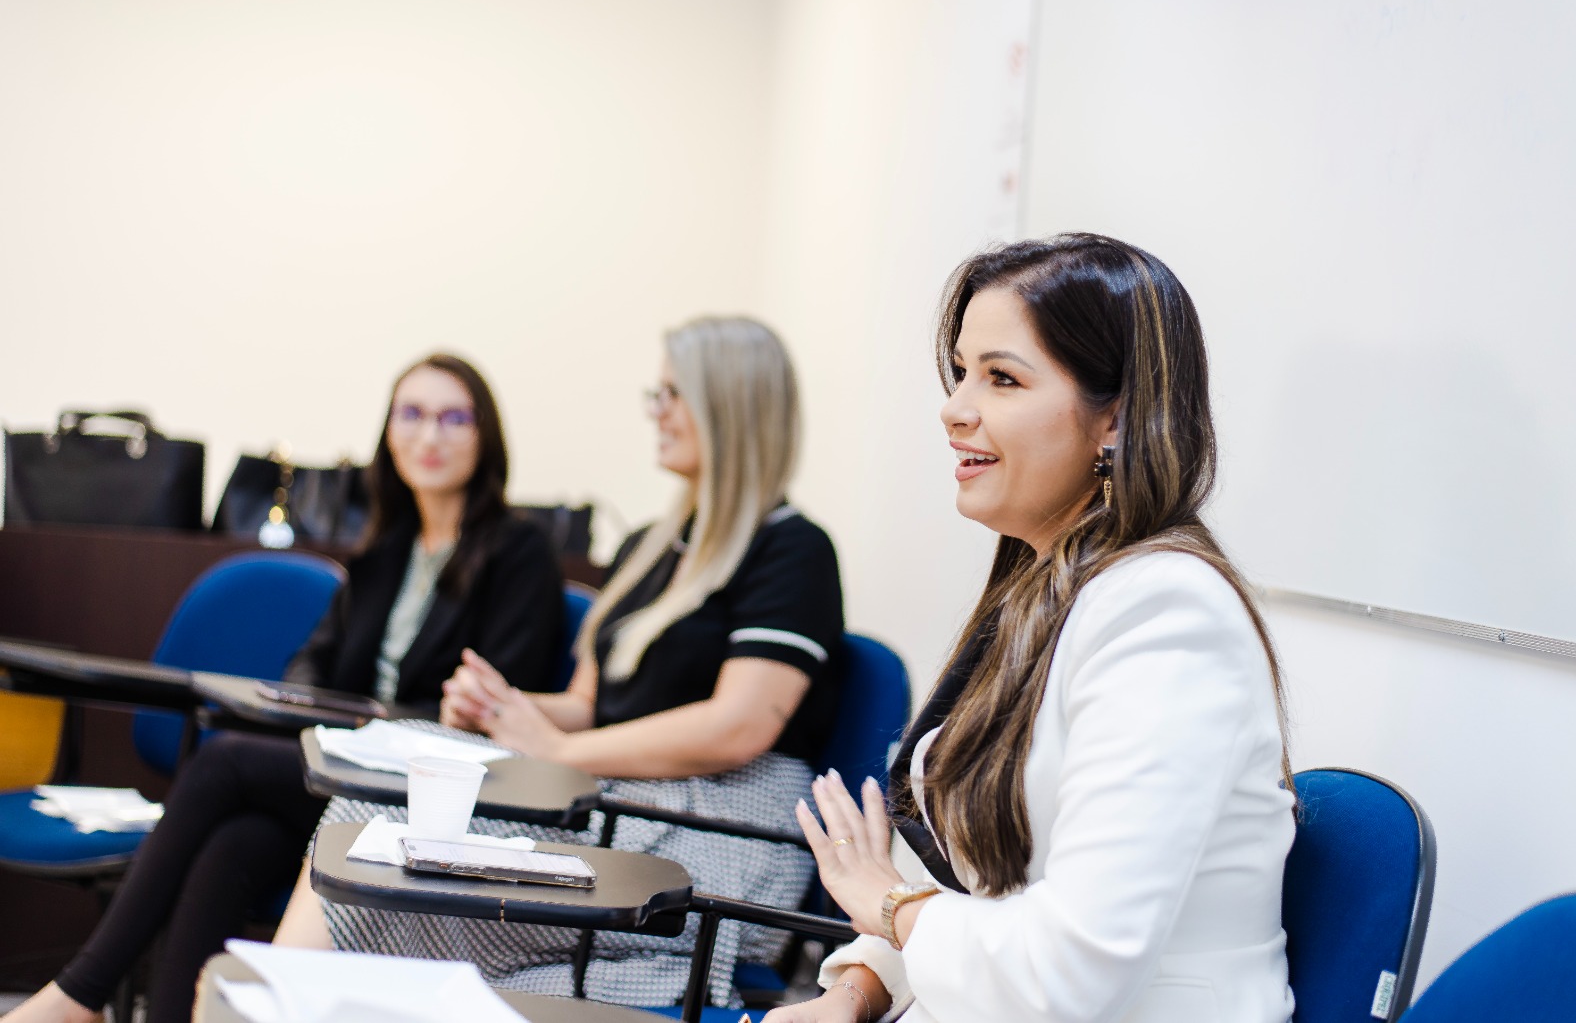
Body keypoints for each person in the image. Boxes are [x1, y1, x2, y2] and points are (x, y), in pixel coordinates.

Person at [768, 234, 1296, 1023]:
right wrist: (855, 990)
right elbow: (971, 883)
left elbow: (1073, 968)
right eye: (960, 373)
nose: (954, 409)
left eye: (1002, 378)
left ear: (1114, 419)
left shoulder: (1169, 616)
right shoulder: (1045, 590)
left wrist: (889, 906)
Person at [274, 316, 846, 1011]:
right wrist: (504, 707)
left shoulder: (794, 550)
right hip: (622, 787)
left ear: (729, 407)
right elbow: (587, 701)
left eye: (672, 395)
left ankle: (280, 1003)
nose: (656, 413)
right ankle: (287, 1001)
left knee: (370, 818)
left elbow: (738, 727)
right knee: (382, 799)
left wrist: (564, 747)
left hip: (718, 816)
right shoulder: (650, 544)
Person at [5, 353, 566, 1023]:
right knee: (233, 844)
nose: (430, 436)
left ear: (485, 437)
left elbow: (499, 700)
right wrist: (320, 710)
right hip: (354, 775)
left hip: (432, 794)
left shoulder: (519, 551)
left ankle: (78, 995)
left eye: (454, 418)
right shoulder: (388, 549)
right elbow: (315, 658)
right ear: (388, 433)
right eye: (411, 415)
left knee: (224, 762)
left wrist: (396, 722)